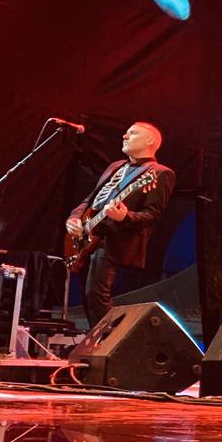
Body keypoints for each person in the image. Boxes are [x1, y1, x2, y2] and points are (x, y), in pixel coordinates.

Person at [65, 122, 175, 326]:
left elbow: (152, 214)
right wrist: (74, 218)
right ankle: (97, 342)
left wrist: (124, 217)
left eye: (132, 133)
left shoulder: (159, 173)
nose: (124, 135)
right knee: (87, 296)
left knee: (96, 294)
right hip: (89, 234)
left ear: (150, 140)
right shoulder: (116, 166)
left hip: (114, 240)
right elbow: (91, 200)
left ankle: (108, 343)